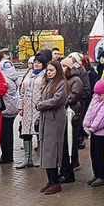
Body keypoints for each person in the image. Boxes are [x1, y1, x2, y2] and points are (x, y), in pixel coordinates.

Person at [36, 60, 69, 195]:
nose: (49, 73)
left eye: (51, 70)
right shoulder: (48, 83)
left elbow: (57, 100)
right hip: (46, 119)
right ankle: (51, 180)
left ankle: (55, 182)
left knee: (52, 149)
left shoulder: (62, 83)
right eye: (48, 70)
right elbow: (41, 99)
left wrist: (41, 105)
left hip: (55, 119)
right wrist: (40, 104)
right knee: (46, 149)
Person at [59, 56, 87, 183]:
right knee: (62, 145)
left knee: (69, 143)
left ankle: (69, 171)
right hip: (61, 115)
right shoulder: (60, 80)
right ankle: (63, 170)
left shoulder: (76, 80)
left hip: (72, 115)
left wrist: (59, 100)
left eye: (65, 66)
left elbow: (74, 97)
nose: (62, 68)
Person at [17, 56, 44, 169]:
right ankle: (27, 158)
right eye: (35, 62)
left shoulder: (45, 75)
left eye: (39, 62)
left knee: (38, 131)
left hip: (38, 107)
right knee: (25, 132)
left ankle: (40, 157)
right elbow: (22, 92)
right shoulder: (29, 74)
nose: (36, 64)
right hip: (27, 108)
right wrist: (21, 107)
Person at [84, 80, 104, 187]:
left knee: (101, 155)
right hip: (94, 132)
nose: (98, 96)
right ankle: (96, 173)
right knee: (94, 154)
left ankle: (102, 175)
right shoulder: (95, 99)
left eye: (100, 94)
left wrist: (92, 128)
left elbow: (102, 116)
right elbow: (89, 112)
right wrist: (86, 125)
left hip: (103, 133)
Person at [0, 56, 19, 165]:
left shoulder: (3, 78)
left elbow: (0, 91)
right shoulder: (14, 77)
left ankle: (5, 156)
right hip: (13, 108)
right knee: (9, 134)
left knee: (3, 135)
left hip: (4, 109)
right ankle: (9, 156)